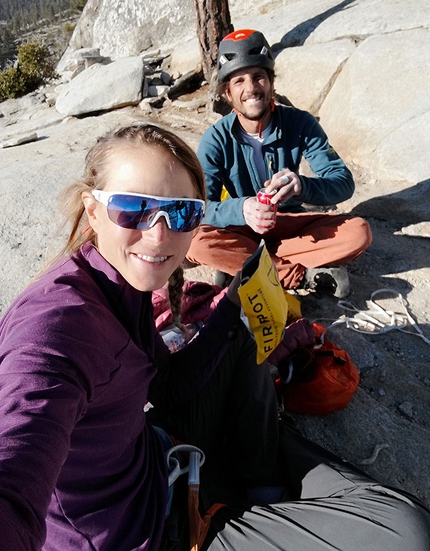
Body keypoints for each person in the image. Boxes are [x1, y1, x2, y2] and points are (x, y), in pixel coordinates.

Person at [0, 124, 429, 551]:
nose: (158, 234)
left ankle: (261, 487)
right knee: (405, 530)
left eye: (182, 212)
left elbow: (167, 390)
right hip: (151, 532)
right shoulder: (56, 328)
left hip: (159, 453)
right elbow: (18, 460)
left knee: (241, 328)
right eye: (133, 208)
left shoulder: (120, 285)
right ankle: (257, 489)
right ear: (92, 211)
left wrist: (231, 309)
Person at [186, 29, 373, 298]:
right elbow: (201, 206)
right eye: (238, 81)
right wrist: (243, 208)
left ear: (271, 82)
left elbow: (343, 183)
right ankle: (298, 274)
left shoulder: (301, 123)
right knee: (197, 243)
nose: (250, 89)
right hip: (244, 228)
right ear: (227, 93)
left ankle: (245, 266)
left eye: (258, 77)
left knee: (359, 232)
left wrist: (302, 187)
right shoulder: (215, 139)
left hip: (290, 224)